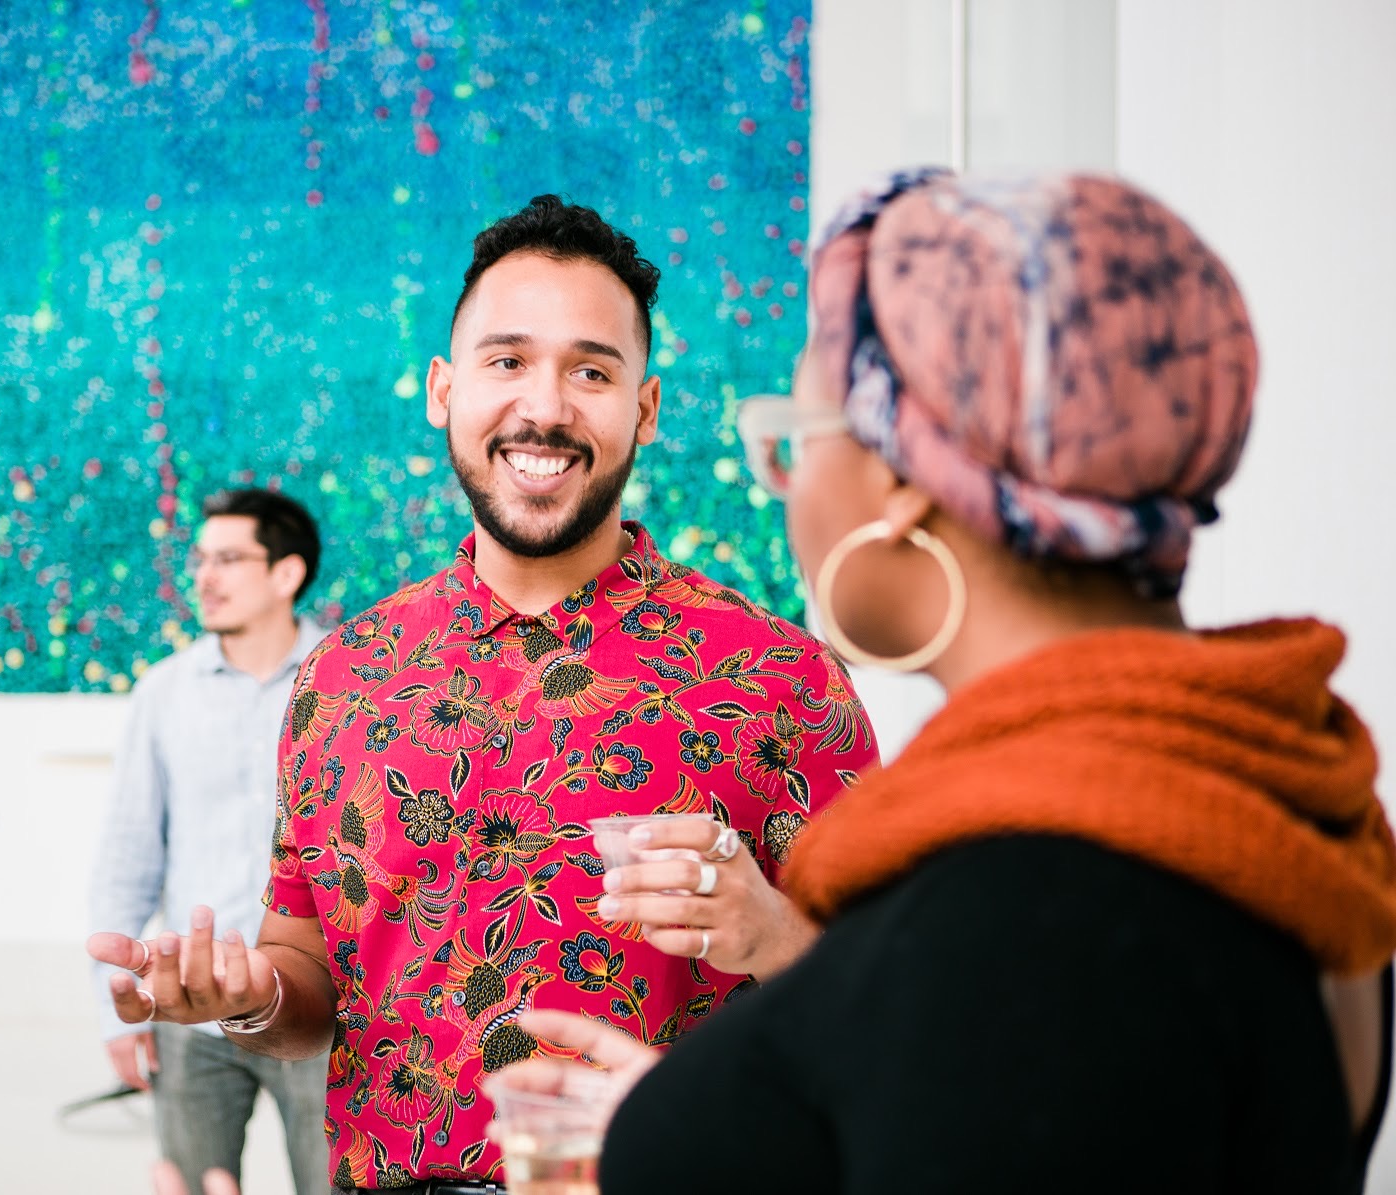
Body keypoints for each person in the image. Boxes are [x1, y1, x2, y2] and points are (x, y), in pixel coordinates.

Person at [496, 169, 1396, 1193]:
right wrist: (704, 1126)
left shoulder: (1026, 910)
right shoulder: (1276, 794)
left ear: (902, 483)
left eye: (798, 433)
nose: (787, 487)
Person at [89, 195, 879, 1191]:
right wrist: (243, 995)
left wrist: (770, 930)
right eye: (507, 362)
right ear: (442, 390)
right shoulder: (342, 676)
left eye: (590, 371)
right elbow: (309, 975)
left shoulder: (777, 676)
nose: (544, 407)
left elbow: (886, 1008)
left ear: (645, 407)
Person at [91, 488, 332, 1195]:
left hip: (323, 1013)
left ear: (287, 573)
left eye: (228, 558)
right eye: (199, 558)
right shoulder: (164, 692)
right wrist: (111, 1011)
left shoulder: (352, 682)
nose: (204, 576)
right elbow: (127, 857)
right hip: (190, 1015)